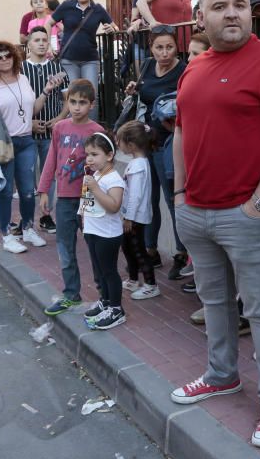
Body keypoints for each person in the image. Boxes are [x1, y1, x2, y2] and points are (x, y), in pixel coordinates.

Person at [169, 0, 260, 449]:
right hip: (197, 211)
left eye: (240, 5)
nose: (232, 12)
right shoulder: (195, 66)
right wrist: (180, 197)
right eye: (220, 6)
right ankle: (221, 374)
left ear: (251, 12)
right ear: (200, 18)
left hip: (250, 213)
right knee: (213, 303)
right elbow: (182, 132)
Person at [0, 41, 62, 253]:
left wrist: (47, 91)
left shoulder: (23, 79)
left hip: (26, 141)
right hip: (2, 144)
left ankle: (28, 228)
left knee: (28, 191)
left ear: (14, 56)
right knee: (4, 192)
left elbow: (31, 109)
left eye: (7, 56)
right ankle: (6, 235)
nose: (4, 60)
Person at [123, 26, 190, 280]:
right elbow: (146, 93)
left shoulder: (183, 70)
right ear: (151, 48)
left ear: (176, 47)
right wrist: (135, 88)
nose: (164, 53)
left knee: (173, 199)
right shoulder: (149, 65)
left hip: (168, 143)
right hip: (145, 143)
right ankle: (150, 250)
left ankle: (181, 254)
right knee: (146, 199)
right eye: (159, 47)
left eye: (169, 47)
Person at [37, 79, 104, 316]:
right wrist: (44, 191)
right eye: (72, 102)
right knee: (65, 248)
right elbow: (51, 160)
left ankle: (104, 296)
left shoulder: (97, 131)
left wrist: (97, 198)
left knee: (94, 247)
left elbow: (105, 168)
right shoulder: (60, 128)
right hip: (64, 198)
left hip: (88, 197)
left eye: (82, 103)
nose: (77, 107)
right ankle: (71, 294)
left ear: (91, 105)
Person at [44, 0, 117, 119]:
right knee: (72, 95)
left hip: (90, 59)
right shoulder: (66, 6)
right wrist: (48, 46)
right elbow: (48, 23)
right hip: (68, 59)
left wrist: (111, 29)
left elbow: (114, 26)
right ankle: (73, 131)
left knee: (91, 96)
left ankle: (91, 132)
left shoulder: (97, 9)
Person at [79, 132, 128, 331]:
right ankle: (105, 301)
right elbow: (88, 204)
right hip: (93, 231)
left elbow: (114, 206)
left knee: (109, 272)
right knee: (99, 272)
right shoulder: (96, 175)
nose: (89, 159)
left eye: (94, 154)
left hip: (107, 235)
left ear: (109, 155)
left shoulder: (113, 179)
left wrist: (96, 188)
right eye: (87, 154)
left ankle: (116, 309)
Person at [23, 26, 69, 234]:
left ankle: (46, 215)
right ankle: (27, 219)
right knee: (28, 175)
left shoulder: (57, 68)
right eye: (37, 40)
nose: (41, 43)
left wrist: (59, 119)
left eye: (44, 40)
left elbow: (67, 99)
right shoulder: (21, 70)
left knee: (49, 174)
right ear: (29, 44)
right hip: (26, 132)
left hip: (52, 131)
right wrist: (29, 122)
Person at [116, 120, 160, 300]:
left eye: (120, 141)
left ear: (131, 145)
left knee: (138, 250)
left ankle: (151, 285)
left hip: (134, 219)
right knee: (127, 247)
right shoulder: (139, 162)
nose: (118, 144)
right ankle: (133, 279)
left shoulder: (138, 166)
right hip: (132, 217)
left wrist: (128, 218)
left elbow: (135, 196)